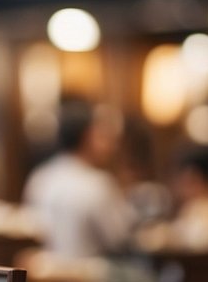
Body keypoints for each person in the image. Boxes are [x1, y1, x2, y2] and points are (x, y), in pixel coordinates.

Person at [22, 100, 135, 259]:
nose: (112, 145)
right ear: (88, 136)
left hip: (48, 268)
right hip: (90, 271)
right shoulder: (98, 183)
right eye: (102, 135)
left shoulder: (40, 177)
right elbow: (119, 238)